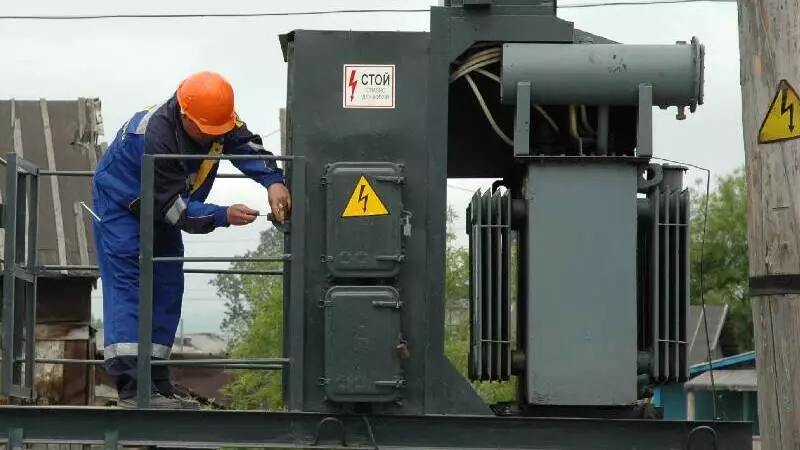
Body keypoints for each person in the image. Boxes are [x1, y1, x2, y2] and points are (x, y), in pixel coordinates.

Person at [90, 71, 291, 409]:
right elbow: (179, 213)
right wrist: (224, 215)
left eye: (220, 130)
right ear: (185, 115)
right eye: (209, 131)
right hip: (123, 205)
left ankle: (156, 381)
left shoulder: (217, 117)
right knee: (130, 282)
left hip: (164, 201)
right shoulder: (155, 138)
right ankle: (132, 390)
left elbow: (246, 145)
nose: (216, 136)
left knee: (168, 282)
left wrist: (273, 180)